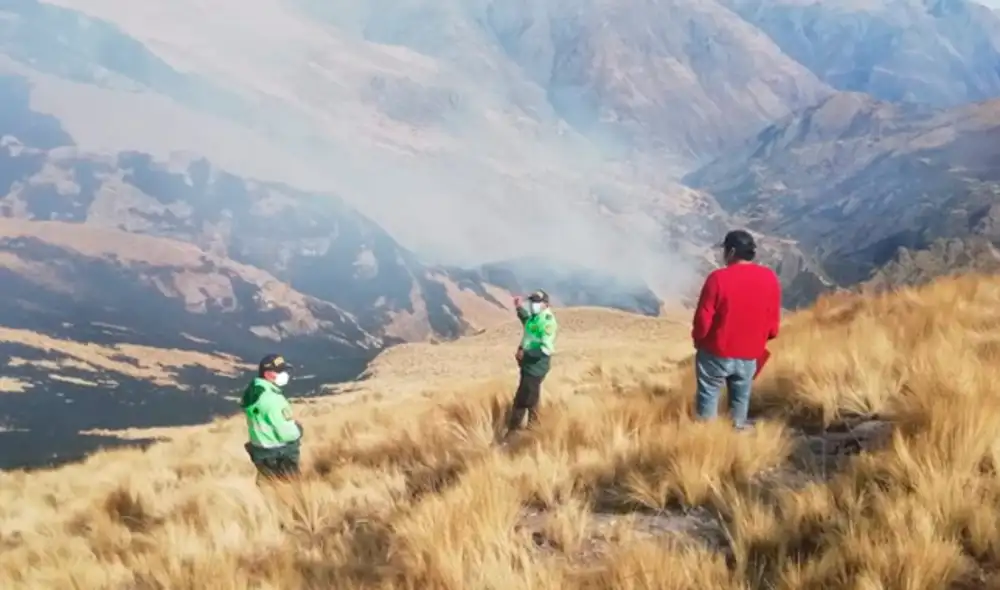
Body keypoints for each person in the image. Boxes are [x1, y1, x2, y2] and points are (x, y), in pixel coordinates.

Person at [691, 230, 781, 429]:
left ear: (731, 252)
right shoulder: (769, 278)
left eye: (724, 250)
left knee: (709, 395)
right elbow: (773, 327)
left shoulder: (717, 278)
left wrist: (699, 341)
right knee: (740, 403)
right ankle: (737, 438)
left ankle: (706, 441)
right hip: (750, 355)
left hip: (716, 352)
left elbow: (703, 320)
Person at [240, 354, 304, 482]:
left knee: (268, 486)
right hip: (279, 453)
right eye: (280, 371)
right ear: (268, 374)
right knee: (290, 488)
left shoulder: (254, 391)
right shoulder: (271, 399)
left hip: (260, 450)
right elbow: (286, 432)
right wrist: (298, 430)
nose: (285, 374)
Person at [505, 289, 559, 437]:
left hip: (536, 367)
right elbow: (528, 323)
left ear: (545, 304)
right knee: (532, 399)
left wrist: (525, 353)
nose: (533, 305)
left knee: (522, 400)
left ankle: (513, 434)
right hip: (528, 365)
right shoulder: (535, 318)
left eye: (537, 302)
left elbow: (546, 350)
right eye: (532, 302)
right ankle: (533, 429)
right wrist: (519, 308)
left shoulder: (547, 322)